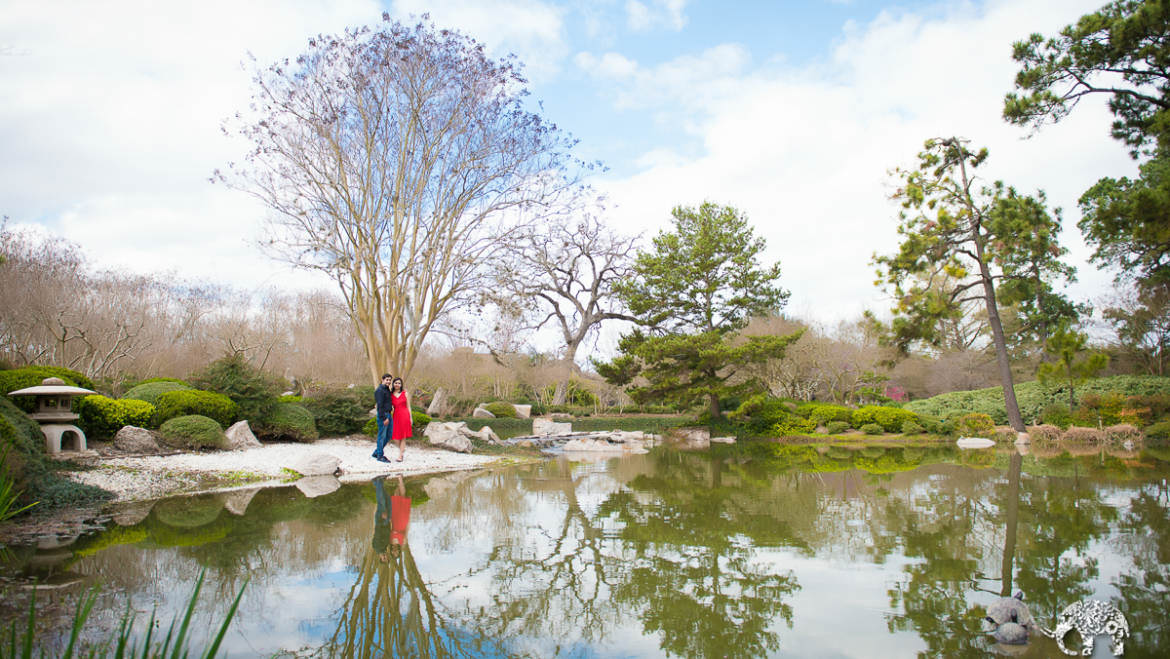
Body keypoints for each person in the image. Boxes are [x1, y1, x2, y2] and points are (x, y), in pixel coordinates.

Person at [389, 376, 413, 462]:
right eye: (396, 383)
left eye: (399, 383)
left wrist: (411, 418)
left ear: (401, 384)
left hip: (405, 415)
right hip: (396, 416)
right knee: (395, 437)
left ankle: (400, 455)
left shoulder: (405, 393)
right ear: (393, 384)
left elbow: (408, 406)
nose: (397, 384)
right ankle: (402, 450)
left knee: (403, 436)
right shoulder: (390, 395)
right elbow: (390, 407)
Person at [372, 373, 393, 463]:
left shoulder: (387, 389)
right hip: (383, 415)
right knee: (382, 436)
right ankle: (380, 456)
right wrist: (384, 418)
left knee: (389, 435)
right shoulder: (379, 390)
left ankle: (376, 452)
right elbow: (379, 406)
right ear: (382, 379)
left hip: (389, 414)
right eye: (387, 380)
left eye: (389, 380)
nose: (388, 381)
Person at [389, 474, 411, 555]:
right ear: (399, 551)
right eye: (397, 552)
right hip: (402, 520)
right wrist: (408, 520)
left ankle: (400, 482)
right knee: (402, 497)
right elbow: (407, 530)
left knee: (395, 497)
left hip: (394, 518)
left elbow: (389, 528)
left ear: (391, 551)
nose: (395, 551)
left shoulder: (389, 541)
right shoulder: (403, 542)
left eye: (393, 552)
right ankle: (400, 479)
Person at [371, 475, 391, 563]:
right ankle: (377, 483)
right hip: (386, 521)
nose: (385, 557)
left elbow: (378, 532)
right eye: (386, 558)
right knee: (387, 500)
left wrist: (383, 520)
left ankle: (379, 481)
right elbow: (387, 533)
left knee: (381, 500)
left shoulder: (377, 547)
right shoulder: (384, 547)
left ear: (380, 558)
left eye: (384, 558)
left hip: (381, 520)